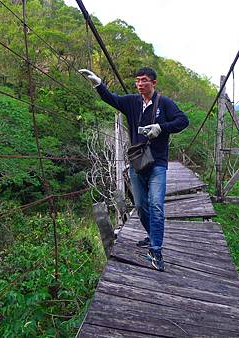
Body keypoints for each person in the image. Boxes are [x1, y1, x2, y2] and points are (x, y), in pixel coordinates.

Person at [79, 67, 189, 272]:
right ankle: (151, 235)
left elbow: (183, 121)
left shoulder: (164, 103)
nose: (140, 84)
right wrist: (98, 84)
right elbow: (112, 99)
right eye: (137, 80)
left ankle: (156, 249)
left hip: (157, 163)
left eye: (144, 80)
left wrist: (161, 127)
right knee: (140, 205)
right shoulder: (132, 102)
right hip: (137, 163)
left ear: (154, 83)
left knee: (156, 205)